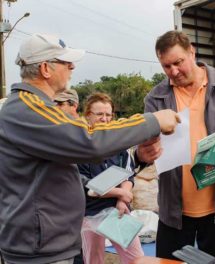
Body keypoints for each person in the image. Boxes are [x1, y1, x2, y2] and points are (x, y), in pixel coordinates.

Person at [0, 33, 179, 264]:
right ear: (46, 68)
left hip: (48, 240)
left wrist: (138, 159)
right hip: (40, 248)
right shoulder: (30, 109)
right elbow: (90, 140)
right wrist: (152, 120)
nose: (72, 67)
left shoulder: (30, 108)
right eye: (65, 62)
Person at [136, 30, 215, 259]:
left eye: (178, 62)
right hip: (174, 212)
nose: (174, 72)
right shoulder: (155, 98)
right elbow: (144, 143)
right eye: (166, 66)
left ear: (192, 52)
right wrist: (143, 153)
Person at [78, 93, 143, 264]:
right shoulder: (80, 147)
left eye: (108, 114)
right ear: (87, 115)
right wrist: (121, 193)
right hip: (89, 215)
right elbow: (88, 186)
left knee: (136, 258)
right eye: (99, 114)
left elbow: (128, 173)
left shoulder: (118, 144)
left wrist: (122, 199)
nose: (104, 119)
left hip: (117, 212)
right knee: (93, 260)